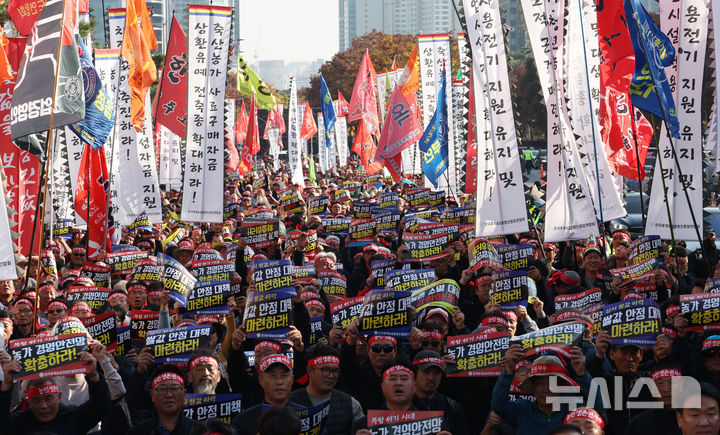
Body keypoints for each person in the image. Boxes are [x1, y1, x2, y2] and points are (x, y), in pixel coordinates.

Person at [0, 351, 111, 433]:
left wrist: (93, 374)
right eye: (36, 400)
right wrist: (7, 382)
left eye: (48, 398)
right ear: (29, 401)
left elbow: (100, 405)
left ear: (59, 397)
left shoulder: (73, 418)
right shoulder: (21, 422)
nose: (43, 406)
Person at [289, 343, 364, 434]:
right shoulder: (289, 403)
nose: (331, 376)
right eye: (325, 370)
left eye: (335, 371)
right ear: (309, 371)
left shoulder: (351, 404)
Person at [231, 354, 300, 435]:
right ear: (261, 380)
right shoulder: (244, 420)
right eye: (272, 376)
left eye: (284, 375)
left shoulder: (304, 414)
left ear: (292, 379)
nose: (279, 382)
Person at [127, 364, 198, 435]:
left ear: (184, 394)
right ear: (152, 395)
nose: (169, 395)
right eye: (162, 389)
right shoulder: (136, 432)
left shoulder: (200, 431)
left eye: (175, 389)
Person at [412, 350, 469, 435]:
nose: (431, 378)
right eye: (426, 372)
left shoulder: (452, 407)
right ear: (415, 373)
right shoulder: (401, 405)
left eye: (436, 373)